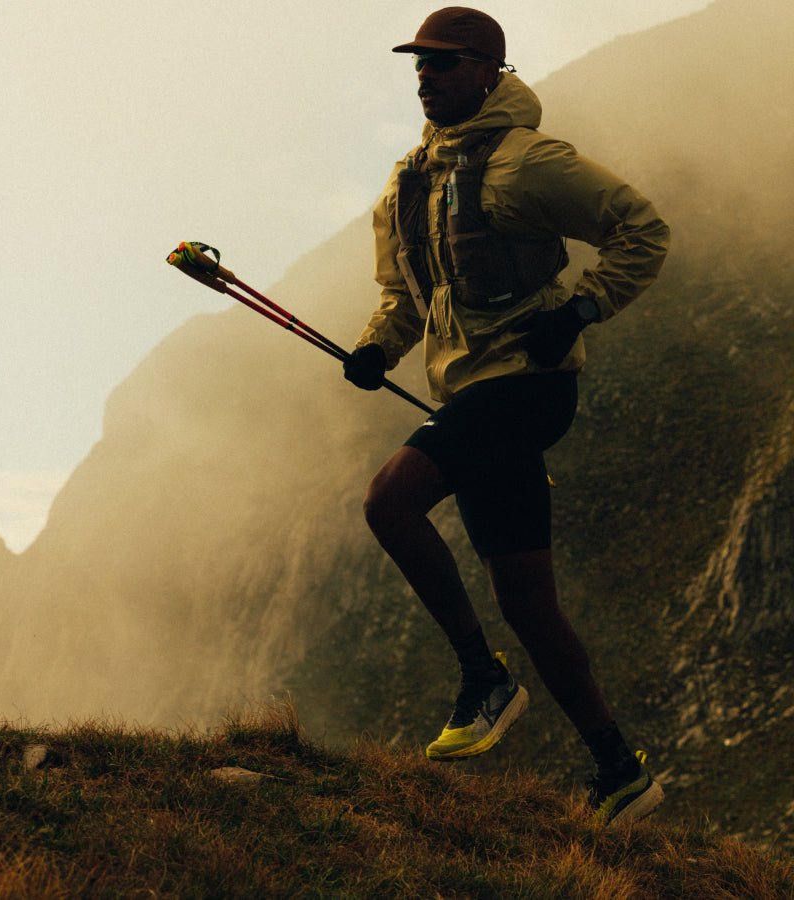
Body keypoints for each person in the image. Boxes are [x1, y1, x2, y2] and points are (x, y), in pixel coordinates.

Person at [343, 7, 670, 824]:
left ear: (489, 71)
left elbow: (642, 229)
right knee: (528, 602)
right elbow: (404, 299)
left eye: (444, 62)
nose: (426, 76)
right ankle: (620, 771)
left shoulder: (531, 162)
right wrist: (377, 349)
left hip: (529, 387)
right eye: (419, 64)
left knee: (389, 500)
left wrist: (583, 309)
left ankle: (482, 677)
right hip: (470, 396)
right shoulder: (407, 184)